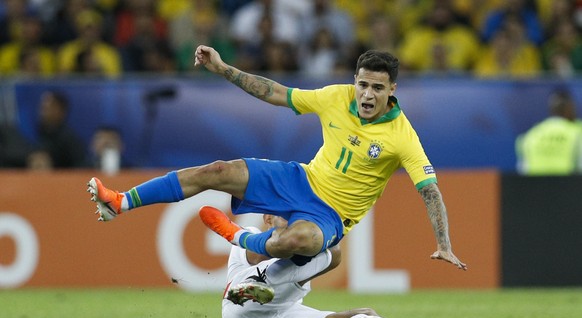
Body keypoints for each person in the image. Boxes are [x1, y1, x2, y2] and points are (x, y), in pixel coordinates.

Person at [87, 44, 467, 272]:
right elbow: (275, 92)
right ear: (355, 80)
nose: (367, 95)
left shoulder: (402, 136)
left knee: (297, 239)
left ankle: (242, 239)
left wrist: (444, 243)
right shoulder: (336, 96)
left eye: (377, 88)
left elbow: (429, 191)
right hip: (299, 179)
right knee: (217, 170)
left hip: (330, 215)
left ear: (392, 90)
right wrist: (222, 69)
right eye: (362, 84)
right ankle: (119, 202)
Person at [219, 212, 379, 318]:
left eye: (300, 219)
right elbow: (261, 254)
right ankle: (252, 287)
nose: (295, 225)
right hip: (240, 307)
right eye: (288, 217)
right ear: (268, 219)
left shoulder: (303, 265)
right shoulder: (249, 236)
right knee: (331, 251)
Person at [515, 89, 582, 175]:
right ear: (569, 108)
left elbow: (523, 169)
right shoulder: (577, 132)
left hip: (534, 185)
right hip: (566, 185)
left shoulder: (531, 135)